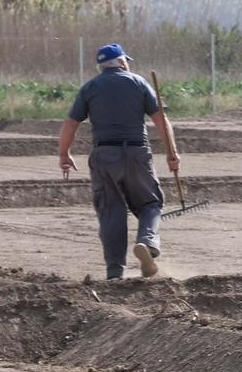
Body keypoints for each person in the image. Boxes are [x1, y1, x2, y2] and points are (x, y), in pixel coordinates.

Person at [57, 43, 182, 280]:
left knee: (111, 212)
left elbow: (70, 124)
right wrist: (172, 154)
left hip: (104, 156)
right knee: (150, 204)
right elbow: (161, 121)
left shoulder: (90, 87)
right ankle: (147, 242)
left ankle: (115, 273)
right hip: (136, 153)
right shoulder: (139, 82)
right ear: (122, 61)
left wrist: (65, 154)